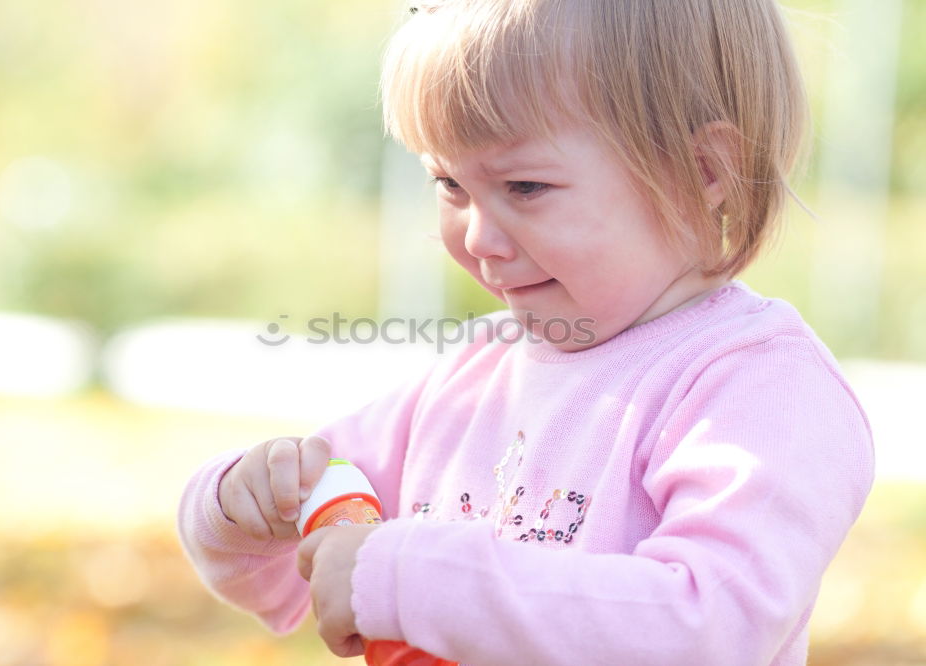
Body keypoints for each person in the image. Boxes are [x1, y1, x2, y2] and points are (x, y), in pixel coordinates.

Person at [177, 1, 875, 664]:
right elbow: (305, 552)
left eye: (525, 188)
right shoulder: (474, 374)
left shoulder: (758, 387)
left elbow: (712, 627)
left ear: (703, 172)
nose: (478, 237)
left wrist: (420, 580)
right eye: (449, 185)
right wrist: (244, 503)